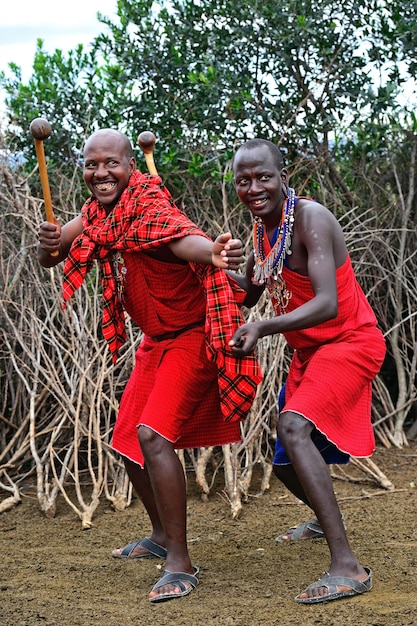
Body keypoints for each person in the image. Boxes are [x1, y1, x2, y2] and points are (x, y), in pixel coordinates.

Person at [37, 129, 262, 603]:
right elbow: (53, 257)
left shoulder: (149, 209)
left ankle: (180, 560)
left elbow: (185, 242)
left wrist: (215, 253)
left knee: (153, 437)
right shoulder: (98, 214)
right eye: (91, 164)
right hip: (156, 343)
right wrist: (48, 243)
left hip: (193, 339)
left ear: (130, 166)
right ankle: (159, 535)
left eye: (111, 164)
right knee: (126, 442)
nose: (101, 174)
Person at [228, 139, 386, 604]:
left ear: (283, 178)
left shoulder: (310, 219)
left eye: (263, 177)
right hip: (311, 354)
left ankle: (348, 567)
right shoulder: (262, 227)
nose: (253, 187)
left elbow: (326, 302)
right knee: (284, 465)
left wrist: (262, 327)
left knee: (292, 427)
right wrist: (223, 271)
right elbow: (254, 291)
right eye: (243, 180)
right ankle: (322, 518)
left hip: (350, 343)